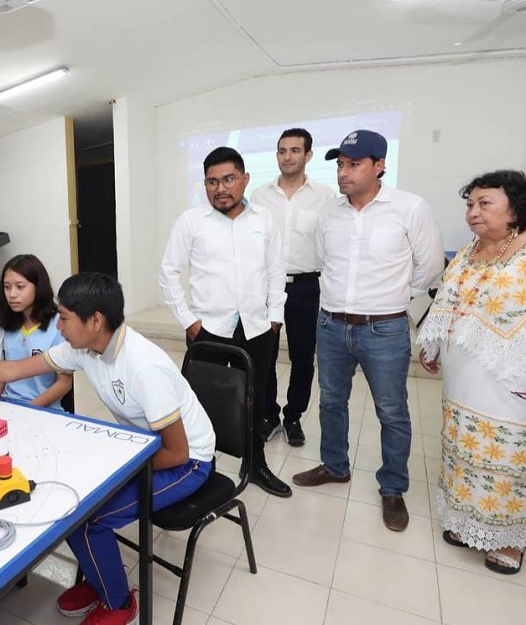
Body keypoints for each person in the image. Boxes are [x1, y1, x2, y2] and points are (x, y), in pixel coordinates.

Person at [0, 272, 215, 625]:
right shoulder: (86, 348)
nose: (58, 327)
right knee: (71, 501)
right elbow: (11, 369)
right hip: (147, 446)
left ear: (96, 320)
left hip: (188, 462)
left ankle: (120, 605)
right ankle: (102, 578)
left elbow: (177, 453)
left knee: (93, 516)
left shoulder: (143, 367)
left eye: (65, 317)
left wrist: (118, 473)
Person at [292, 129, 444, 532]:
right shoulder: (330, 212)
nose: (344, 173)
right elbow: (325, 259)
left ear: (379, 166)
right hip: (331, 324)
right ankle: (335, 466)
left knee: (391, 412)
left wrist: (395, 307)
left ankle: (392, 488)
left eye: (354, 164)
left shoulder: (409, 208)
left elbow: (428, 269)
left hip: (385, 329)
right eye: (340, 164)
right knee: (330, 402)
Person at [159, 145, 291, 497]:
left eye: (229, 179)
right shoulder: (191, 221)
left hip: (257, 328)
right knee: (205, 403)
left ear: (245, 179)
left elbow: (277, 271)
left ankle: (256, 464)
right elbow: (169, 272)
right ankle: (205, 468)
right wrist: (189, 321)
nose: (221, 188)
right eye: (212, 181)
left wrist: (275, 319)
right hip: (208, 332)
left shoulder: (264, 220)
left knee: (256, 399)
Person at [418, 170, 526, 574]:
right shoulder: (467, 253)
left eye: (485, 204)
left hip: (511, 380)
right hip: (463, 376)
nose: (473, 213)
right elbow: (447, 303)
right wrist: (432, 344)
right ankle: (466, 523)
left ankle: (510, 540)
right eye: (469, 204)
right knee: (464, 447)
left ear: (515, 208)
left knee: (508, 455)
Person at [251, 128, 334, 447]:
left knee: (302, 357)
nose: (288, 156)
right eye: (282, 151)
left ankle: (294, 416)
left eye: (295, 150)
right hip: (265, 287)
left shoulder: (325, 196)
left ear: (308, 155)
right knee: (264, 355)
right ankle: (269, 415)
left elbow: (330, 244)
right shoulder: (259, 195)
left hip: (305, 287)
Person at [0, 254, 73, 410]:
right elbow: (2, 374)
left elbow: (64, 383)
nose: (12, 294)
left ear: (38, 287)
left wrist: (28, 410)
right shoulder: (5, 323)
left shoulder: (59, 325)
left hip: (43, 409)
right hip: (8, 405)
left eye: (20, 287)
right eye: (7, 287)